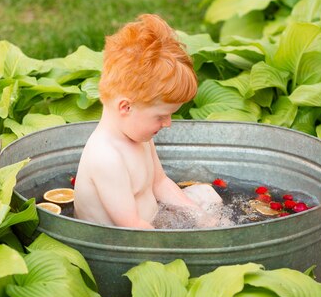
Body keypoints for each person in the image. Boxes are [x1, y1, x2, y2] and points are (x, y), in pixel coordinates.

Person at [73, 13, 223, 229]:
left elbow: (159, 183)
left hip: (151, 221)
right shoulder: (106, 157)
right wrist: (182, 244)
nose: (168, 123)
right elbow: (132, 227)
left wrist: (199, 217)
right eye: (161, 116)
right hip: (124, 243)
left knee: (207, 196)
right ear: (126, 107)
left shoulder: (139, 136)